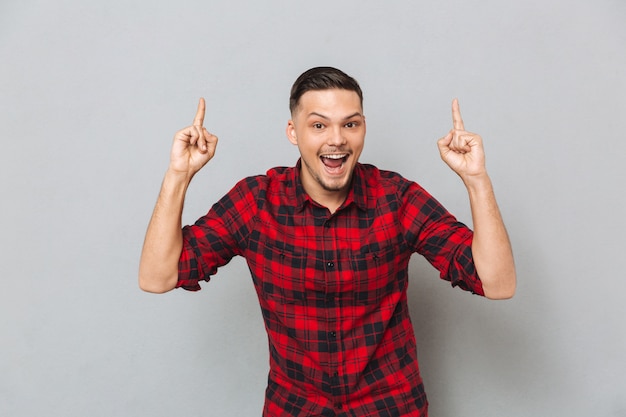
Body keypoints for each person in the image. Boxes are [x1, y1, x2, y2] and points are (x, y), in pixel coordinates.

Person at [139, 67, 516, 416]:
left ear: (363, 128)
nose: (337, 139)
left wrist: (476, 180)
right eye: (318, 125)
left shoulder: (396, 198)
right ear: (293, 132)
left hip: (390, 405)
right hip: (295, 406)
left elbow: (497, 283)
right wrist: (178, 175)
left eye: (350, 124)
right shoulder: (256, 201)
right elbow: (157, 277)